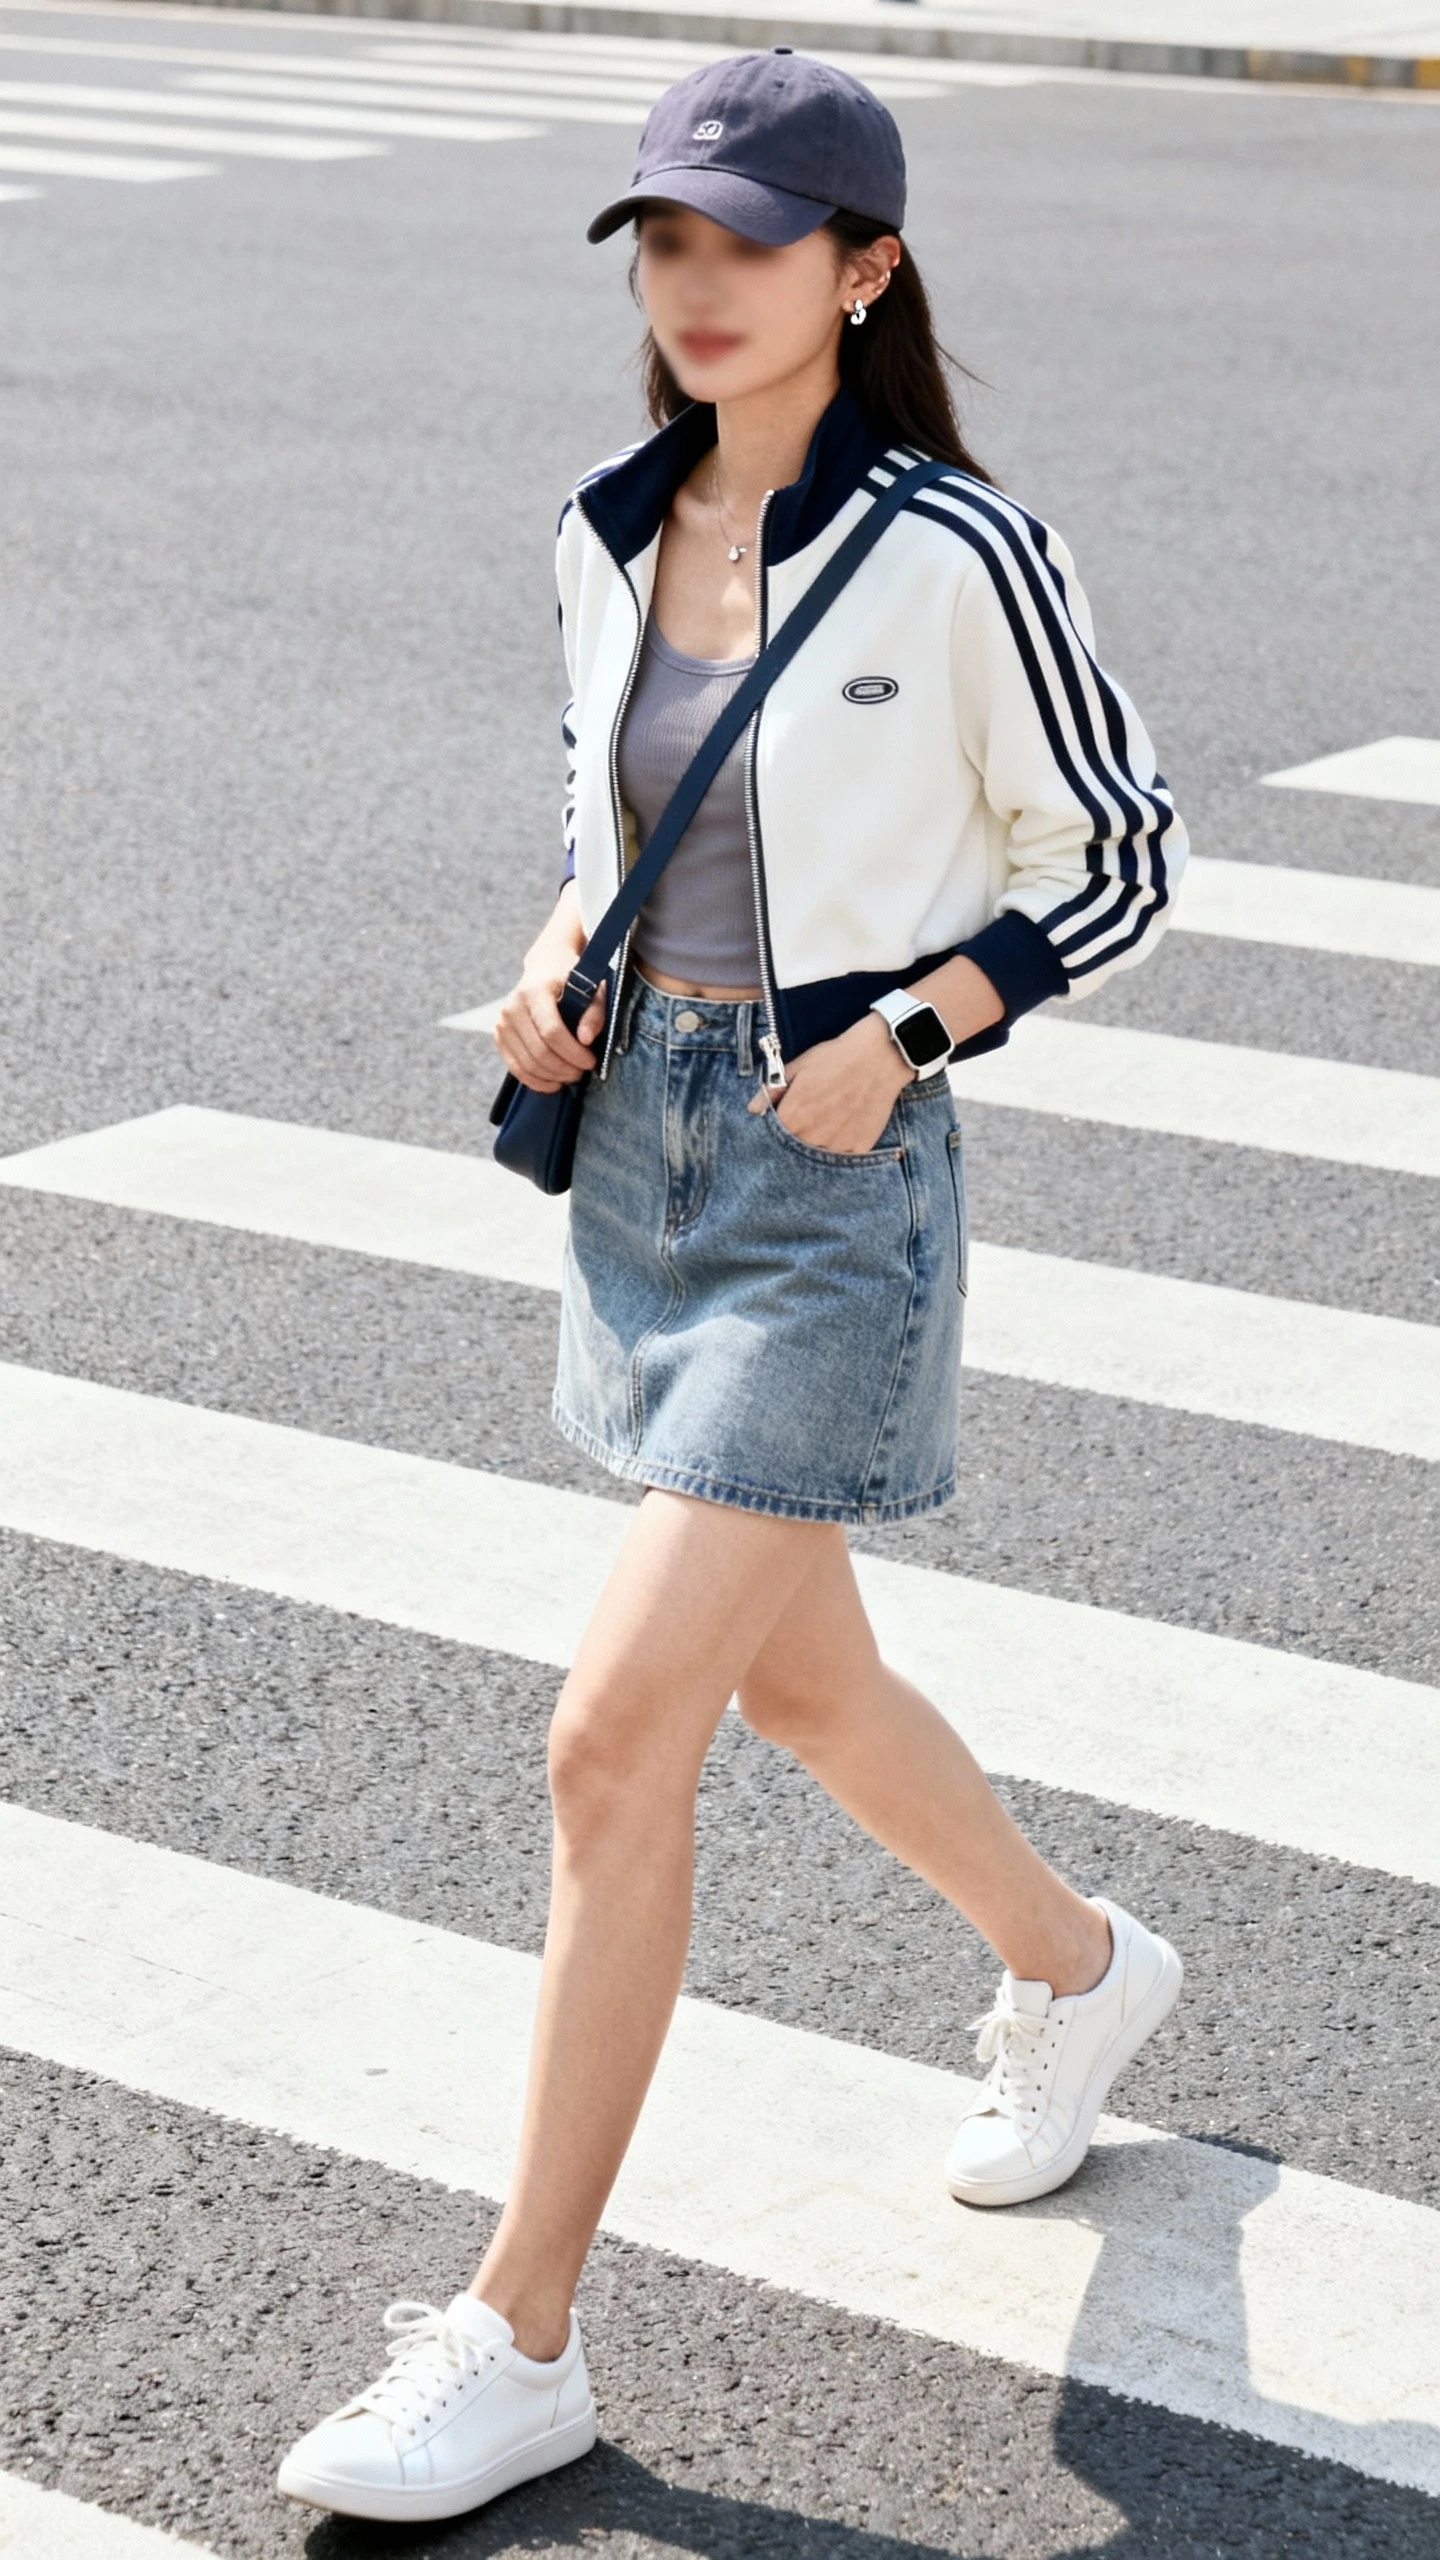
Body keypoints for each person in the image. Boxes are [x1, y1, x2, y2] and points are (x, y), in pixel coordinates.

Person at [279, 46, 1188, 2527]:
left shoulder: (958, 550)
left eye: (753, 244)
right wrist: (548, 958)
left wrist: (909, 1033)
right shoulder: (605, 526)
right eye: (669, 241)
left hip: (826, 1184)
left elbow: (1118, 852)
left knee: (611, 1739)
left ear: (864, 271)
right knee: (800, 1681)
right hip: (639, 1162)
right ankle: (1080, 1964)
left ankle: (520, 2334)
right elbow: (608, 830)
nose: (700, 285)